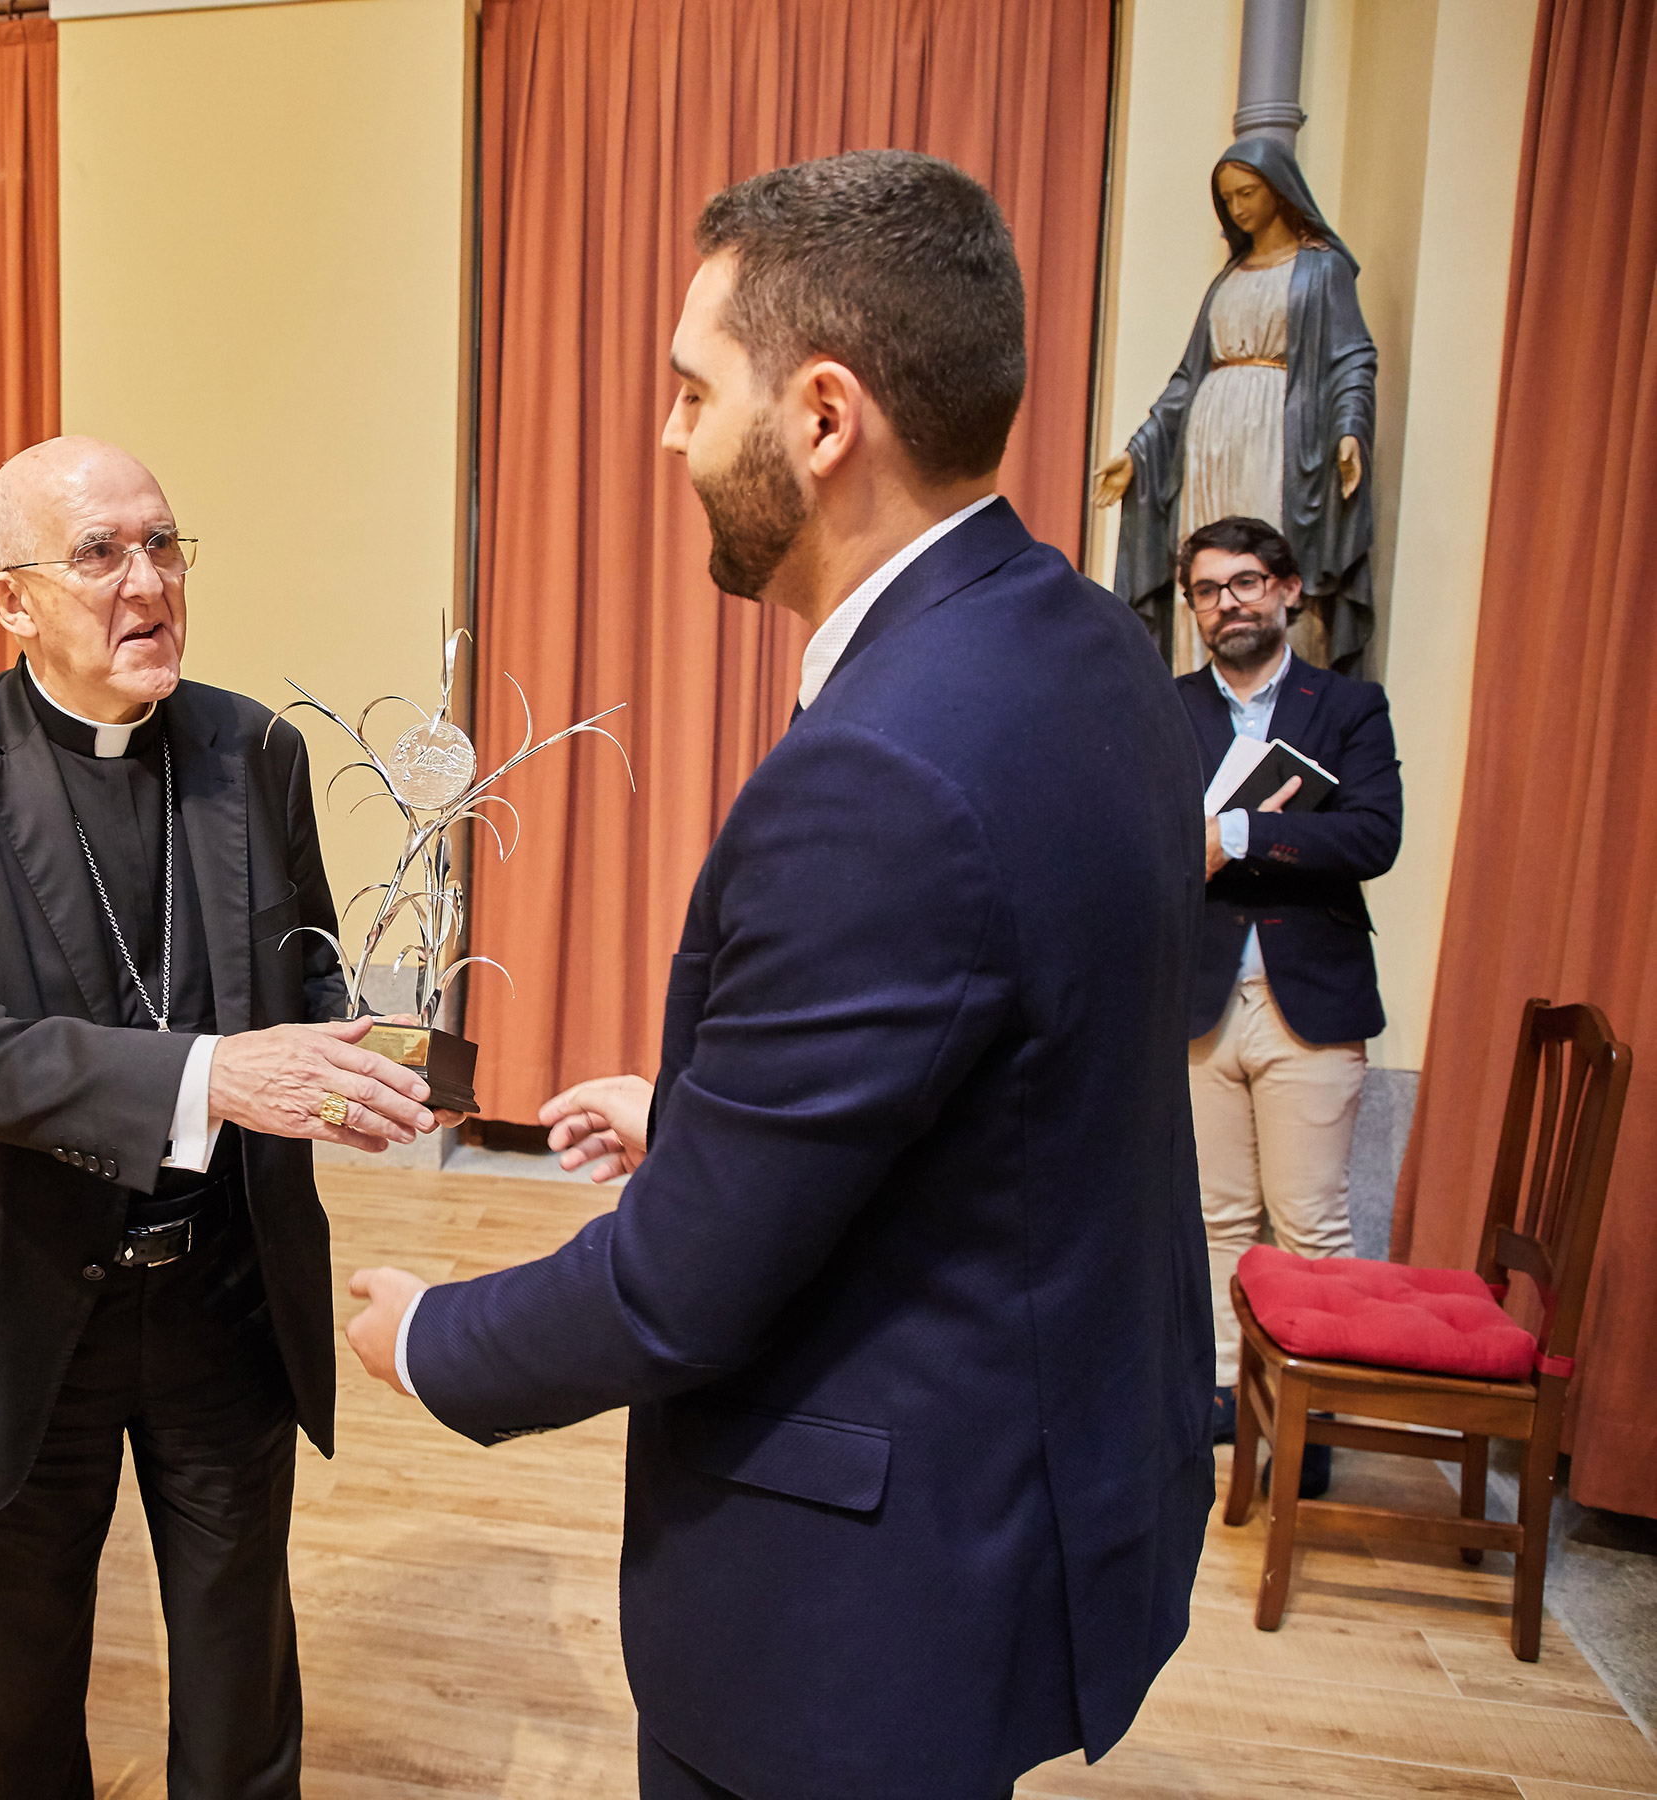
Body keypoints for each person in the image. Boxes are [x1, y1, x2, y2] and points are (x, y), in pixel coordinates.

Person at [341, 151, 1211, 1799]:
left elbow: (677, 1290)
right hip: (1042, 1498)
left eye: (690, 391)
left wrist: (435, 1335)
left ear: (821, 420)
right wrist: (706, 1111)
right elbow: (1014, 1055)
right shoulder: (1087, 649)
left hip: (856, 1617)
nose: (667, 438)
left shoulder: (881, 766)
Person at [0, 435, 439, 1800]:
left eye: (164, 545)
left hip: (222, 1292)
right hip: (20, 1296)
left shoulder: (252, 750)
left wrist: (352, 1061)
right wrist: (207, 1080)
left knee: (242, 1697)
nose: (146, 582)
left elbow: (310, 969)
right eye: (101, 554)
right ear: (13, 600)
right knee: (23, 1704)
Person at [1177, 515, 1402, 1492]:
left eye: (1246, 582)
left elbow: (1372, 838)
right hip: (1193, 999)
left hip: (1309, 997)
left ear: (1291, 590)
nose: (1228, 602)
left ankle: (1312, 1419)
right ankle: (1231, 1399)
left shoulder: (1346, 707)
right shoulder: (1164, 704)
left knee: (1308, 1223)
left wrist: (1246, 834)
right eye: (1207, 589)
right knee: (1218, 1219)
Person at [1095, 138, 1375, 674]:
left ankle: (1271, 695)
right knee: (1207, 562)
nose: (1240, 208)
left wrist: (1348, 430)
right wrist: (1139, 451)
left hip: (1278, 440)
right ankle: (1199, 697)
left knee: (1260, 561)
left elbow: (1352, 358)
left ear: (1279, 189)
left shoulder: (1321, 269)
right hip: (1208, 440)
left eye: (1248, 193)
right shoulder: (1228, 276)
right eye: (1229, 199)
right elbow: (1187, 379)